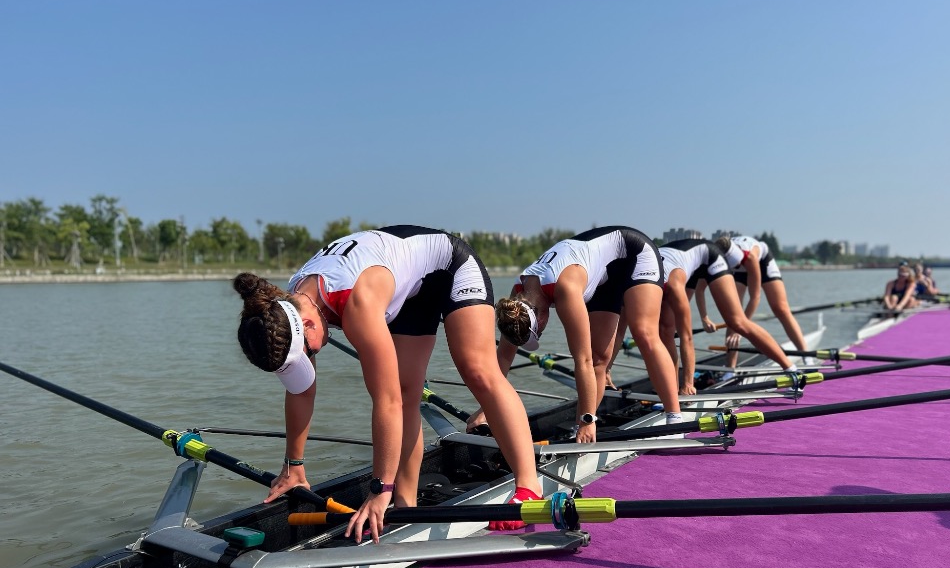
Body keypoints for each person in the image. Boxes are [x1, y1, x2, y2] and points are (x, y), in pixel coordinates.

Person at [233, 225, 542, 542]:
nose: (311, 356)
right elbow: (301, 391)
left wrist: (380, 487)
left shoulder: (358, 303)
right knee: (408, 392)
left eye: (308, 353)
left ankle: (529, 486)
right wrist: (293, 467)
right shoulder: (287, 310)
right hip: (405, 288)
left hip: (450, 267)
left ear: (308, 323)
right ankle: (406, 507)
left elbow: (386, 401)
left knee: (476, 369)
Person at [470, 225, 683, 442]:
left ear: (539, 319)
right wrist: (485, 408)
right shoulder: (517, 300)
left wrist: (587, 420)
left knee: (643, 333)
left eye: (539, 333)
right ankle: (581, 428)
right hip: (601, 272)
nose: (542, 332)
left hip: (635, 254)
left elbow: (582, 361)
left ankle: (675, 417)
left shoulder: (566, 288)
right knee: (600, 358)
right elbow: (504, 356)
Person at [659, 238, 798, 395]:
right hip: (681, 263)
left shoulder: (674, 284)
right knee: (665, 330)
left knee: (737, 322)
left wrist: (688, 384)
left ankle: (791, 370)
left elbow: (687, 336)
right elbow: (700, 290)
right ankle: (672, 390)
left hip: (707, 257)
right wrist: (704, 318)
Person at [699, 235, 808, 371]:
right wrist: (705, 318)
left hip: (762, 263)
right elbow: (700, 288)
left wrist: (741, 331)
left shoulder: (750, 257)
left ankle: (806, 355)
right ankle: (730, 369)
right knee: (733, 314)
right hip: (737, 269)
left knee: (780, 309)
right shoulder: (716, 259)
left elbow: (755, 297)